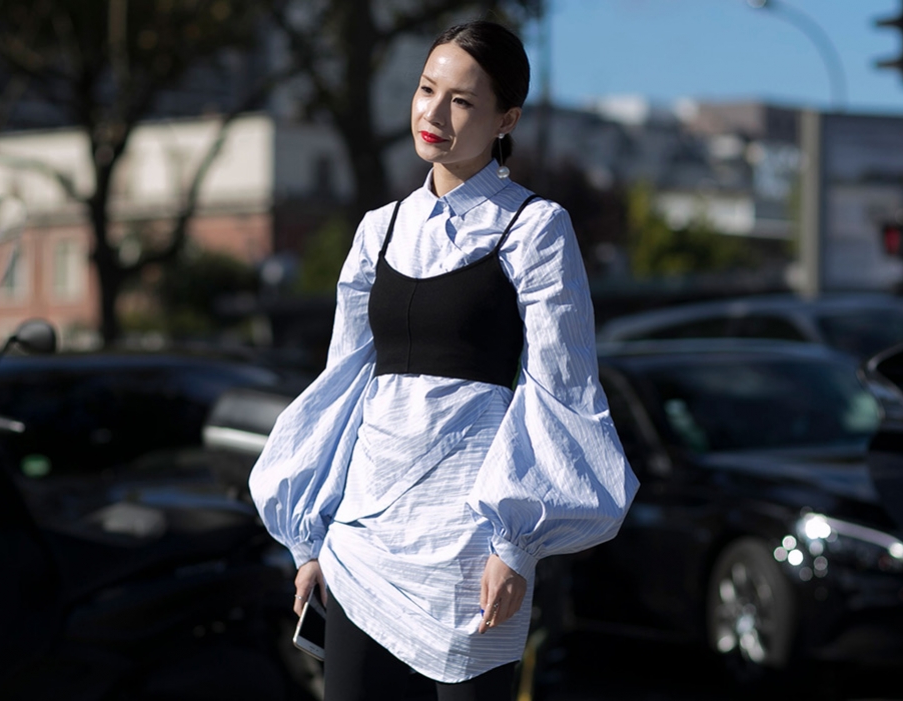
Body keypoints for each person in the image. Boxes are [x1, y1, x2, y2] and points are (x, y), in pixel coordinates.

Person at [249, 19, 638, 701]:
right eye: (427, 89)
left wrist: (515, 546)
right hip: (361, 543)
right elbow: (341, 387)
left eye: (462, 100)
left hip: (470, 550)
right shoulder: (378, 230)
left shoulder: (535, 228)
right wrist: (311, 538)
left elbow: (561, 389)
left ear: (506, 119)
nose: (433, 113)